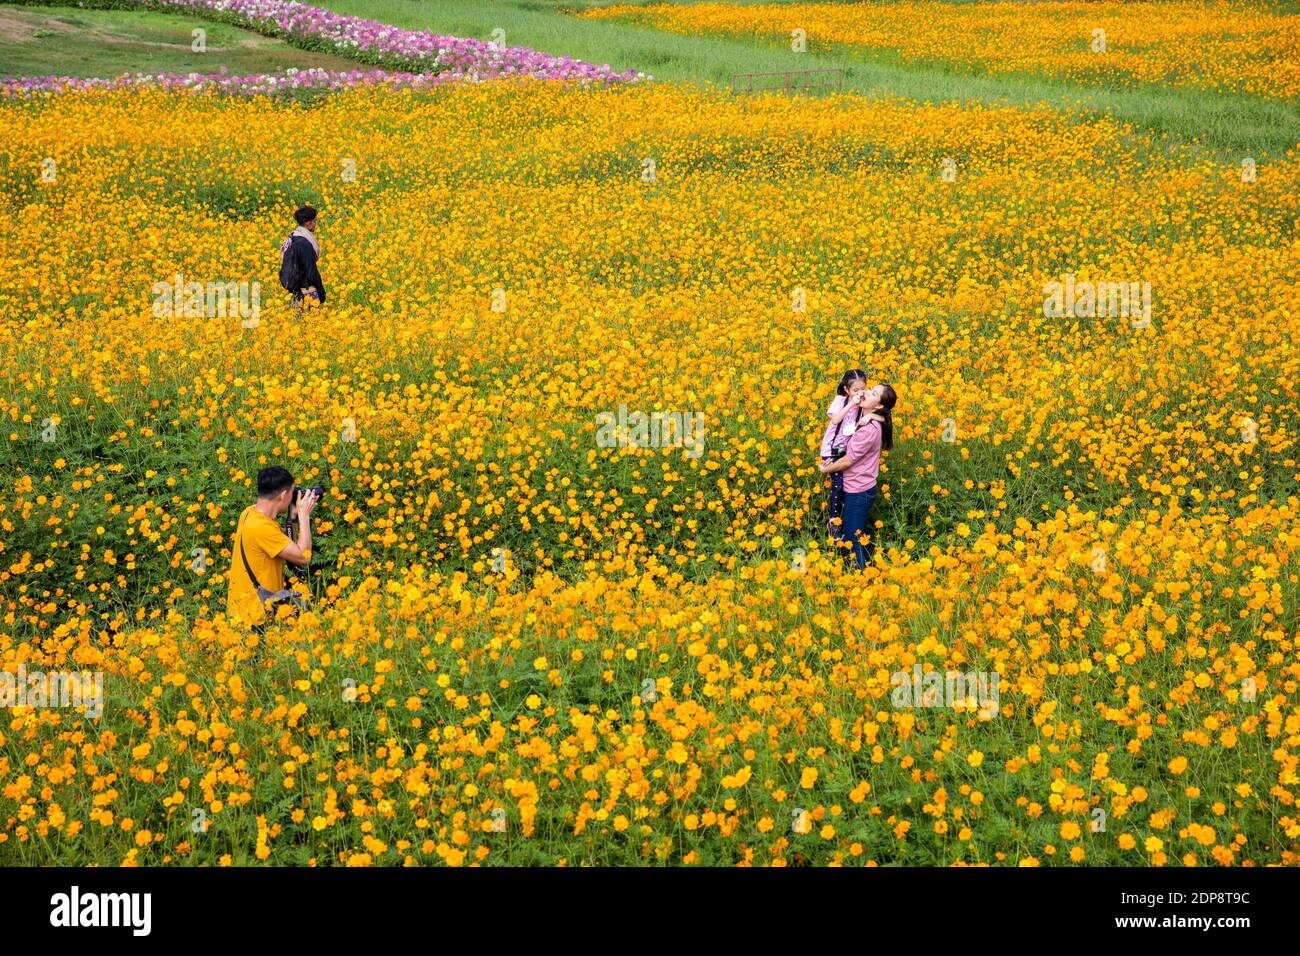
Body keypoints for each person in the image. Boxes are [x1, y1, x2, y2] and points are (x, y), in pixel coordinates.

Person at [226, 466, 319, 633]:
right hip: (255, 619)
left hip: (242, 612)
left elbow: (288, 547)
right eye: (292, 493)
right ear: (283, 495)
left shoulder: (248, 513)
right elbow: (303, 557)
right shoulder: (262, 528)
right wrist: (304, 516)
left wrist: (292, 518)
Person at [818, 383, 897, 569]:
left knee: (854, 538)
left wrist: (825, 469)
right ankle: (863, 572)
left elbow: (848, 461)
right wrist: (871, 413)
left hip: (859, 491)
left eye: (872, 393)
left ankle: (865, 577)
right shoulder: (868, 416)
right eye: (870, 389)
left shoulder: (869, 429)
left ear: (878, 405)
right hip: (858, 487)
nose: (866, 393)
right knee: (853, 534)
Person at [819, 369, 868, 536]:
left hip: (847, 451)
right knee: (838, 484)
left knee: (849, 487)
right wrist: (850, 404)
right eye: (856, 390)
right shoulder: (840, 401)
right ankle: (833, 522)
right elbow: (835, 420)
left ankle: (846, 520)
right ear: (847, 390)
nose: (860, 393)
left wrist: (869, 416)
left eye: (863, 389)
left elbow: (879, 413)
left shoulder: (865, 402)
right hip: (831, 450)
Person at [280, 206, 326, 306]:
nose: (316, 224)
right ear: (308, 222)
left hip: (295, 292)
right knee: (311, 320)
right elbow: (311, 272)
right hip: (307, 292)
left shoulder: (292, 238)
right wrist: (321, 293)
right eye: (315, 221)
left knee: (298, 319)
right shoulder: (305, 244)